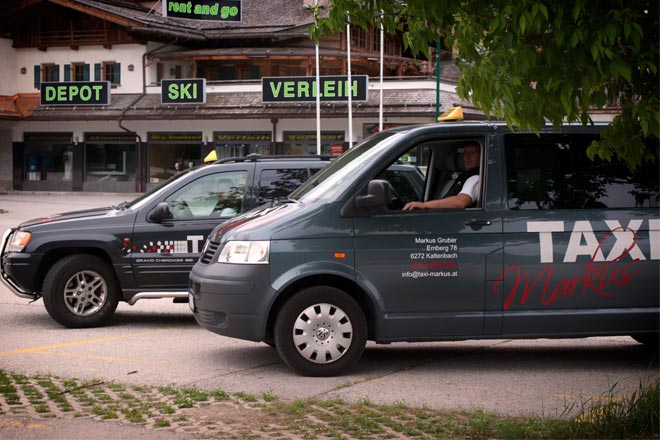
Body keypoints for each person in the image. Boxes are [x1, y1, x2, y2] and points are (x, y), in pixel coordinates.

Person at [403, 142, 481, 210]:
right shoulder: (462, 177)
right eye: (465, 152)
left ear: (481, 155)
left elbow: (460, 202)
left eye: (472, 152)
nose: (467, 157)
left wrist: (424, 205)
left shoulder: (475, 178)